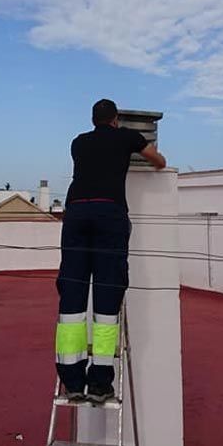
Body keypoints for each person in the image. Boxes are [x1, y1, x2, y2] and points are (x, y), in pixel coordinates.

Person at [55, 99, 166, 404]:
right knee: (106, 293)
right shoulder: (126, 136)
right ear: (115, 119)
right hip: (109, 214)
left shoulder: (78, 143)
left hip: (76, 212)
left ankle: (72, 380)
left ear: (93, 120)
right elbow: (158, 161)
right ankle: (100, 383)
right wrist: (149, 152)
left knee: (73, 295)